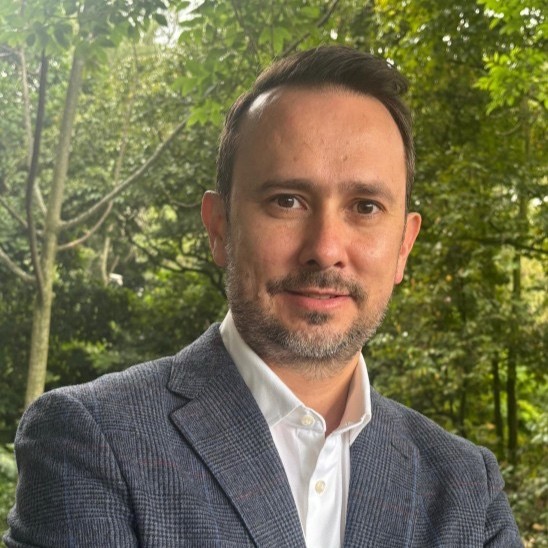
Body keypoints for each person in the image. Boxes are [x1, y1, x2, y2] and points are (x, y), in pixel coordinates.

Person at [5, 46, 521, 547]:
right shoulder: (90, 440)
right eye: (287, 201)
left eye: (365, 207)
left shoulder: (466, 488)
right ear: (219, 227)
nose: (325, 250)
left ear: (404, 246)